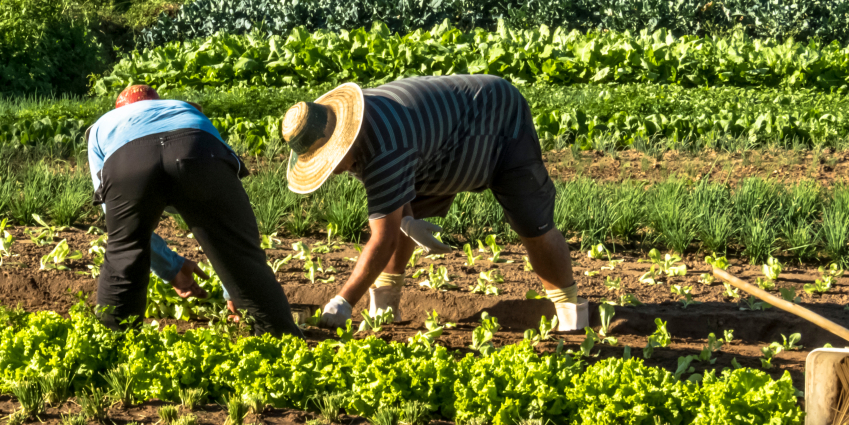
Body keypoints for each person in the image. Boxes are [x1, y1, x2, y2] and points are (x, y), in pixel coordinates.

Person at [279, 76, 579, 329]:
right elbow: (394, 197)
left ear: (343, 137)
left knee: (533, 223)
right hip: (438, 145)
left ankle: (571, 316)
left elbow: (382, 239)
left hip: (497, 119)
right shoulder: (356, 130)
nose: (333, 170)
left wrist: (342, 302)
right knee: (398, 221)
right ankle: (385, 311)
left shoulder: (384, 144)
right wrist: (407, 220)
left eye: (331, 160)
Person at [88, 84, 303, 337]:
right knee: (238, 249)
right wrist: (232, 288)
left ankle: (111, 352)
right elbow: (226, 232)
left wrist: (171, 267)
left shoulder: (103, 126)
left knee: (124, 253)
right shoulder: (182, 109)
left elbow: (120, 226)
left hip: (129, 162)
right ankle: (280, 345)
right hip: (196, 148)